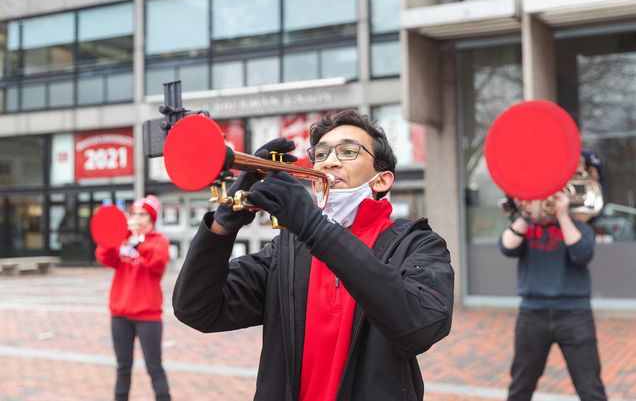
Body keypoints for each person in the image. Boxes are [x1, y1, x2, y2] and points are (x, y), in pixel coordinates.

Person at [172, 110, 454, 401]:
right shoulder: (288, 250)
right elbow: (196, 309)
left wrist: (313, 227)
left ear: (381, 180)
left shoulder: (418, 244)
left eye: (348, 151)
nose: (329, 162)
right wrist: (221, 226)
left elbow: (421, 326)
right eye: (320, 155)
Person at [500, 162, 607, 401]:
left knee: (590, 388)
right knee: (520, 386)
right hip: (532, 314)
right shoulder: (525, 226)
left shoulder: (579, 225)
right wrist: (527, 214)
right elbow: (506, 247)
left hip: (575, 315)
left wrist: (562, 215)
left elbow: (582, 254)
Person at [95, 195, 171, 401]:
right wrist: (114, 238)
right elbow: (104, 257)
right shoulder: (124, 239)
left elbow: (158, 264)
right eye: (134, 213)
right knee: (123, 366)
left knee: (154, 366)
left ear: (152, 218)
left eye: (142, 214)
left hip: (148, 315)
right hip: (120, 314)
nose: (136, 218)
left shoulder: (159, 241)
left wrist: (138, 242)